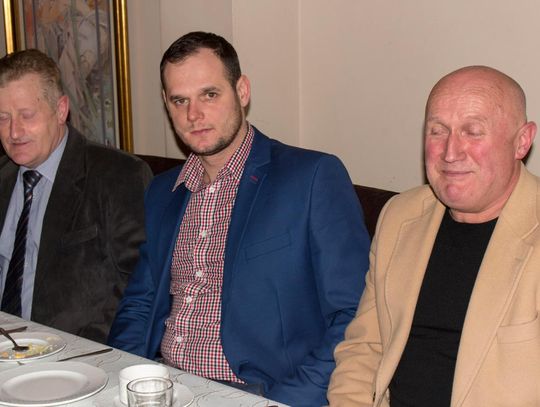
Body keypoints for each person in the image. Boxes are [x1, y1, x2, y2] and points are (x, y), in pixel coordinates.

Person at [108, 31, 370, 406]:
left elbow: (354, 317)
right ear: (167, 104)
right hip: (163, 384)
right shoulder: (163, 192)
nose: (193, 115)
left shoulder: (311, 178)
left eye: (209, 95)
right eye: (180, 100)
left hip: (257, 392)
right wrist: (125, 378)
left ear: (242, 91)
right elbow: (140, 303)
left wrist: (281, 402)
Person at [328, 65, 539, 406]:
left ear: (522, 141)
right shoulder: (401, 216)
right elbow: (364, 348)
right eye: (437, 131)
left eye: (473, 132)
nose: (450, 153)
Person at [0, 49, 152, 343]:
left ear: (61, 110)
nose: (14, 132)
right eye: (3, 118)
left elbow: (139, 288)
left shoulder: (117, 176)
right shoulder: (3, 177)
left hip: (78, 354)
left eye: (27, 115)